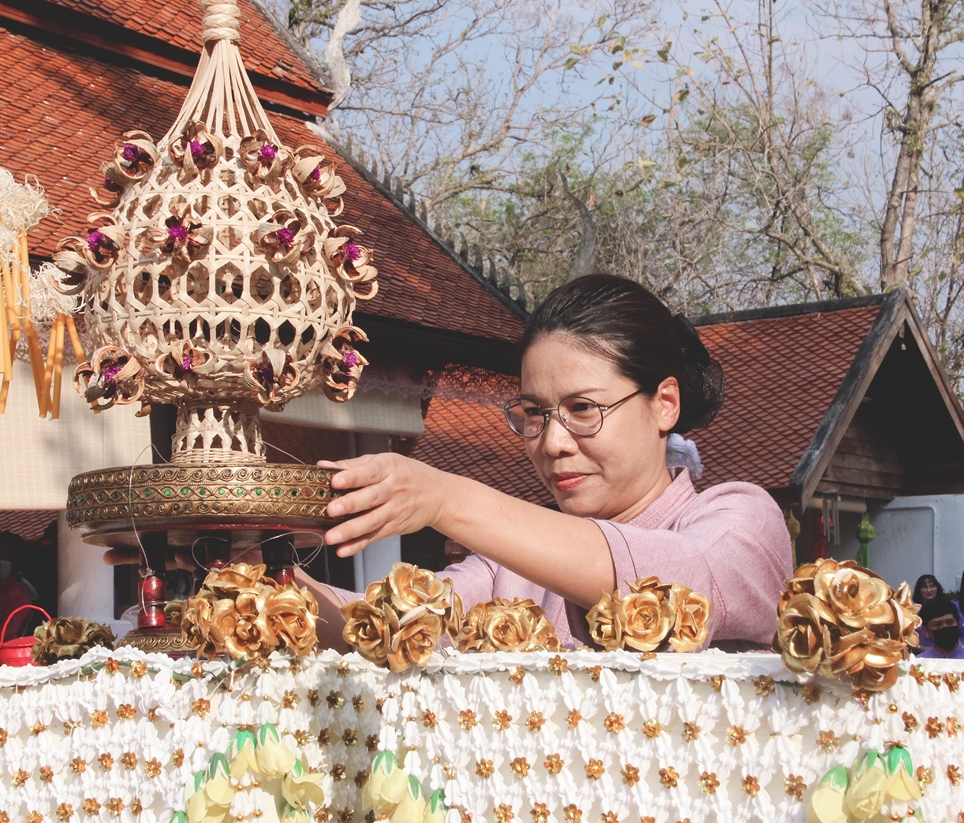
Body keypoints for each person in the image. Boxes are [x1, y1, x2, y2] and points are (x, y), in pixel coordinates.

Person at [297, 274, 793, 650]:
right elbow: (385, 626)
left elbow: (677, 587)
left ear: (665, 404)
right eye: (535, 413)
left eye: (584, 408)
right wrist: (273, 577)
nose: (553, 442)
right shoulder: (513, 568)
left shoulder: (741, 521)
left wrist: (445, 499)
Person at [917, 595, 964, 659]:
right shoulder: (918, 663)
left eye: (950, 622)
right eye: (938, 624)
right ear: (926, 631)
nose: (945, 627)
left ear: (958, 624)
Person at [913, 573, 950, 652]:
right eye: (925, 587)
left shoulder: (946, 609)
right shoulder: (914, 613)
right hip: (919, 654)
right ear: (919, 590)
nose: (929, 590)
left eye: (932, 586)